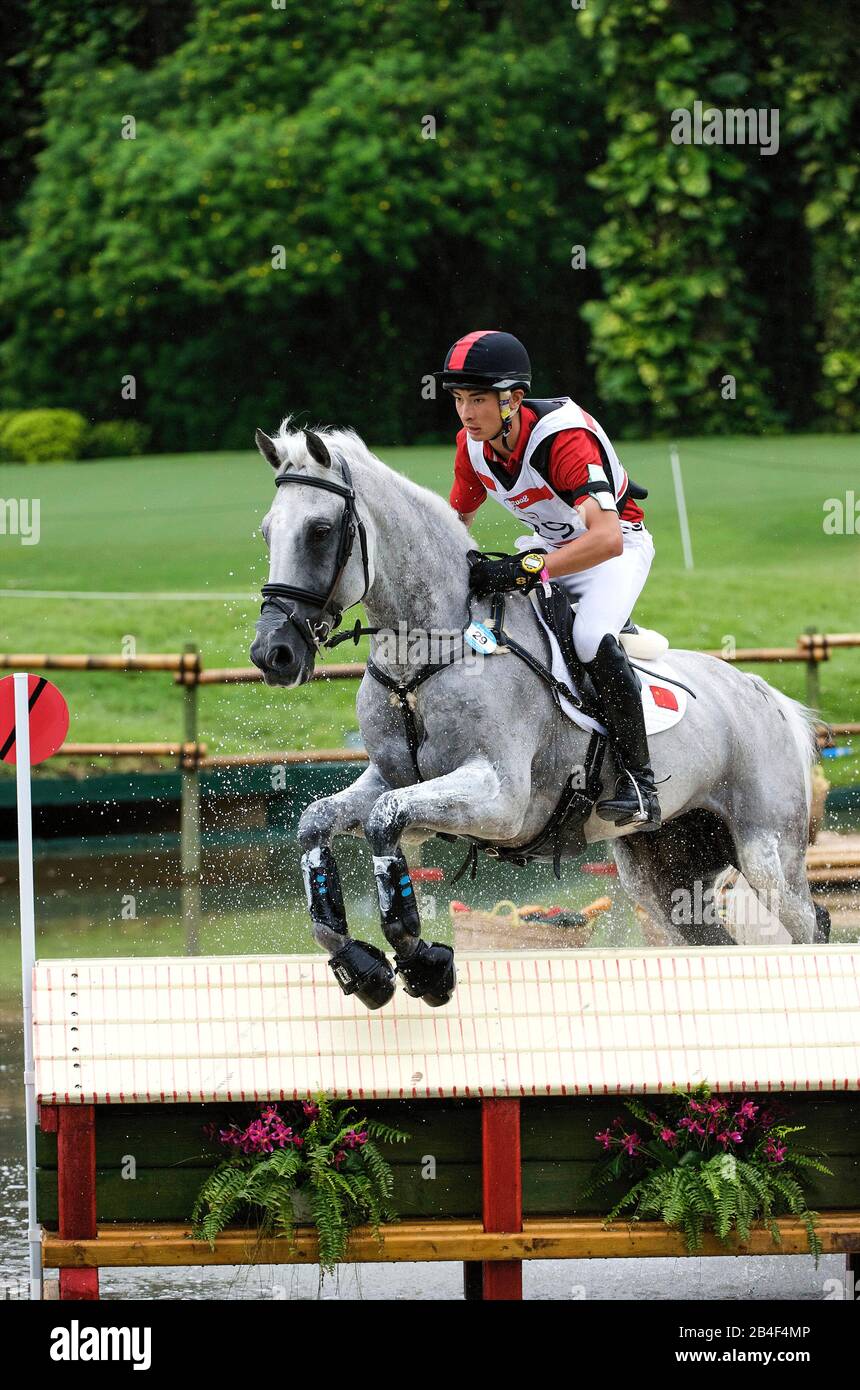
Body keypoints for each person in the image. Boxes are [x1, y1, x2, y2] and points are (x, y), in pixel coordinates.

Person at [438, 328, 661, 830]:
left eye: (479, 399)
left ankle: (640, 783)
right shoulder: (472, 448)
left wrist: (523, 569)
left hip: (615, 548)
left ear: (514, 399)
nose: (467, 413)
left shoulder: (564, 441)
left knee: (588, 636)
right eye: (458, 399)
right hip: (553, 551)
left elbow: (604, 539)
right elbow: (455, 527)